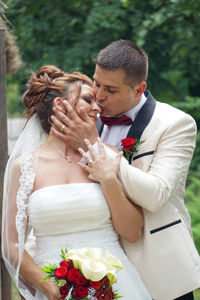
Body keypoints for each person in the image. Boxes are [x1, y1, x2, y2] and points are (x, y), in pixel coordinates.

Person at [51, 40, 200, 300]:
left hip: (160, 271)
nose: (98, 95)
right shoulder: (85, 117)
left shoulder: (175, 123)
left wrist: (95, 145)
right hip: (99, 270)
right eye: (96, 83)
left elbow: (156, 194)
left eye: (110, 89)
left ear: (139, 88)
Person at [2, 65, 151, 300]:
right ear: (61, 105)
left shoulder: (108, 156)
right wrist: (49, 289)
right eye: (88, 99)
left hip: (113, 284)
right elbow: (11, 244)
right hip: (52, 287)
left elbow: (132, 232)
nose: (97, 107)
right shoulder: (25, 167)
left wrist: (108, 178)